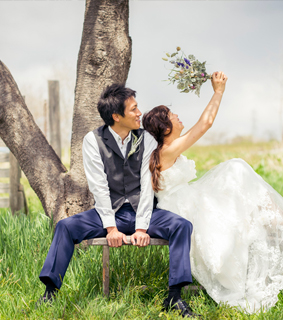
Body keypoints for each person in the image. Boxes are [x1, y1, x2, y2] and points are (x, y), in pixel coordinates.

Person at [142, 71, 283, 313]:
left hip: (190, 198)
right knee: (235, 168)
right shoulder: (165, 152)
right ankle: (279, 220)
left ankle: (277, 219)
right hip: (182, 210)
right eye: (173, 116)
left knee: (236, 172)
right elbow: (205, 124)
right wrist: (218, 91)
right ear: (165, 127)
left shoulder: (168, 150)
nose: (179, 118)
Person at [38, 84, 200, 318]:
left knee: (181, 225)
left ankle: (174, 297)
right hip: (107, 213)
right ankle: (49, 293)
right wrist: (111, 228)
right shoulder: (92, 141)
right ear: (116, 116)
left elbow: (146, 186)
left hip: (142, 211)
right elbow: (99, 186)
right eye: (133, 109)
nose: (139, 114)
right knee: (65, 226)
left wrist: (142, 227)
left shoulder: (146, 140)